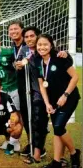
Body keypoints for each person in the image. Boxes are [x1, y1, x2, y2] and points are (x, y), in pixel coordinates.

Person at [35, 34, 81, 168]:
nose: (42, 47)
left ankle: (74, 153)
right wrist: (47, 103)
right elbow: (41, 84)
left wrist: (65, 95)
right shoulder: (38, 61)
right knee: (57, 130)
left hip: (69, 98)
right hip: (53, 101)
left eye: (45, 44)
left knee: (59, 127)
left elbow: (75, 77)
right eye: (39, 45)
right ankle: (56, 162)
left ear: (51, 45)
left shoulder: (60, 58)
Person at [14, 27, 49, 163]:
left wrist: (64, 53)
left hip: (43, 92)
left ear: (38, 36)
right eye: (26, 37)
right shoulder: (24, 50)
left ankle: (38, 152)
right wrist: (18, 65)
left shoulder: (44, 50)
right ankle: (33, 146)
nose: (29, 39)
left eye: (31, 36)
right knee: (29, 120)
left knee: (39, 121)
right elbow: (18, 63)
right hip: (28, 91)